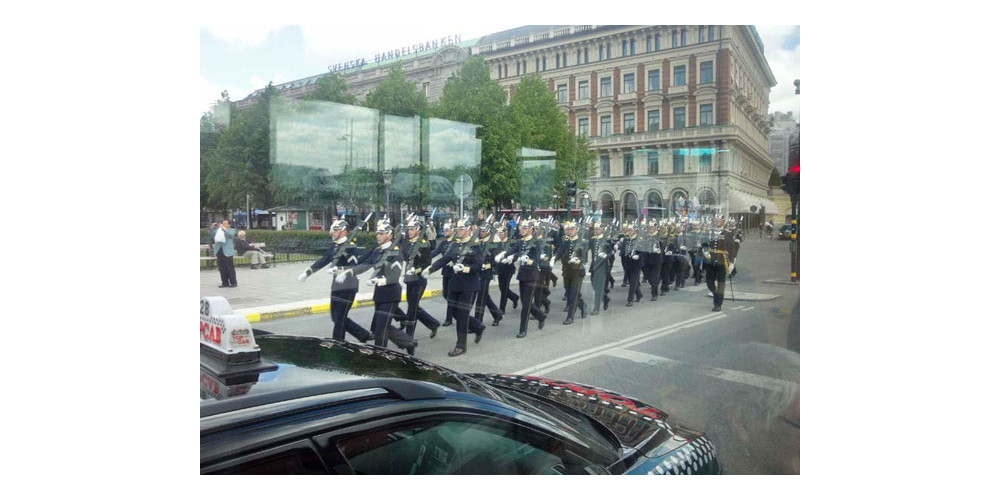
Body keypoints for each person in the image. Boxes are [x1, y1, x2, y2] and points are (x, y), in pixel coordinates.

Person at [297, 220, 371, 344]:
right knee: (335, 316)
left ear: (344, 231)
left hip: (348, 285)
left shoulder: (351, 247)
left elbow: (355, 266)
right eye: (333, 230)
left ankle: (337, 343)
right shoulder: (334, 245)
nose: (333, 232)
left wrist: (340, 270)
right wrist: (308, 272)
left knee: (340, 318)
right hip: (336, 285)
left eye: (336, 230)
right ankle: (363, 334)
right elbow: (324, 260)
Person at [424, 217, 485, 357]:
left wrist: (465, 268)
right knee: (456, 314)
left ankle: (461, 345)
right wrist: (431, 268)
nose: (458, 231)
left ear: (469, 229)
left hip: (469, 285)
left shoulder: (476, 246)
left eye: (461, 229)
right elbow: (445, 259)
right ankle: (478, 326)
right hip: (455, 283)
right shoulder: (455, 245)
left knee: (462, 315)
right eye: (457, 229)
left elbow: (479, 266)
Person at [358, 220, 418, 354]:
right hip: (379, 294)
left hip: (391, 294)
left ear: (390, 236)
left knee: (381, 327)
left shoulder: (396, 253)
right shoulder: (378, 251)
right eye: (377, 234)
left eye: (381, 234)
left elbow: (395, 276)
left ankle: (379, 355)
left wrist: (380, 281)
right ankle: (408, 342)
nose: (378, 236)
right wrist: (348, 271)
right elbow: (366, 264)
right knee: (381, 326)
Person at [392, 218, 440, 340]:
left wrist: (416, 269)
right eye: (409, 229)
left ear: (418, 230)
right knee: (413, 305)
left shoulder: (424, 244)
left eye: (412, 229)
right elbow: (403, 254)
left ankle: (409, 337)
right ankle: (433, 323)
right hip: (409, 279)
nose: (410, 231)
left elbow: (427, 263)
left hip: (419, 280)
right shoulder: (408, 242)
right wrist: (403, 226)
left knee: (412, 308)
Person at [508, 219, 547, 338]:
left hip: (532, 275)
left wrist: (528, 260)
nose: (522, 230)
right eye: (521, 228)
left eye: (525, 228)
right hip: (523, 274)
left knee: (526, 305)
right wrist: (504, 255)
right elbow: (512, 250)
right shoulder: (520, 242)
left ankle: (522, 329)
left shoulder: (536, 242)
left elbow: (537, 261)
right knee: (525, 302)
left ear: (530, 229)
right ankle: (541, 315)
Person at [556, 220, 587, 324]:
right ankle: (583, 306)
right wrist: (553, 259)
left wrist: (578, 260)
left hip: (577, 271)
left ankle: (570, 317)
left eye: (572, 229)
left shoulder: (582, 241)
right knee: (569, 293)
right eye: (568, 229)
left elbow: (584, 258)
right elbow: (559, 252)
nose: (570, 231)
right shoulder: (565, 241)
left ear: (576, 230)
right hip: (567, 270)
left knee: (573, 294)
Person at [474, 222, 504, 327]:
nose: (481, 233)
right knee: (484, 296)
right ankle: (497, 314)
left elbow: (496, 260)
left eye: (484, 231)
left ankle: (477, 322)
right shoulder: (478, 240)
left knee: (481, 297)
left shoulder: (495, 242)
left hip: (487, 272)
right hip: (477, 271)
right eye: (481, 231)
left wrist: (487, 266)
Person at [431, 221, 456, 327]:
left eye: (447, 230)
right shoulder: (444, 243)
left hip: (455, 272)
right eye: (444, 230)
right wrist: (424, 258)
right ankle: (456, 310)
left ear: (452, 230)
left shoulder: (456, 243)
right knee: (445, 294)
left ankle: (449, 318)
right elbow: (435, 252)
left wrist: (454, 261)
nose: (445, 232)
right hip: (446, 271)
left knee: (450, 296)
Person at [588, 222, 614, 315]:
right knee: (594, 285)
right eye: (595, 229)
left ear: (602, 229)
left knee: (598, 288)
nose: (596, 231)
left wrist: (606, 255)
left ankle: (596, 308)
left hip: (602, 266)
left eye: (598, 229)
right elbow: (586, 248)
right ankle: (605, 298)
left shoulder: (607, 240)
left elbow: (612, 252)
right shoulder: (593, 240)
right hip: (594, 266)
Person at [494, 224, 520, 313]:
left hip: (508, 268)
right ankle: (514, 297)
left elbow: (517, 253)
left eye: (501, 233)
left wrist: (511, 259)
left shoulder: (511, 242)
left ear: (505, 233)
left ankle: (502, 308)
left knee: (504, 288)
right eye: (498, 233)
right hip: (500, 268)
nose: (499, 235)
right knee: (502, 288)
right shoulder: (497, 243)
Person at [619, 222, 644, 306]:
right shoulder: (626, 239)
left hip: (636, 263)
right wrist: (617, 246)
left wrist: (638, 256)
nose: (629, 232)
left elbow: (643, 252)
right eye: (628, 230)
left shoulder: (639, 240)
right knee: (631, 280)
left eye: (631, 230)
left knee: (633, 282)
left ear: (635, 231)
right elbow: (623, 249)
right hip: (628, 262)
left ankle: (630, 300)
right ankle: (639, 294)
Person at [639, 220, 663, 302]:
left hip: (656, 259)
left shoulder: (659, 235)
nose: (650, 229)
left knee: (654, 276)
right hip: (647, 259)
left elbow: (663, 244)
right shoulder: (645, 235)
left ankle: (654, 293)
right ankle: (653, 284)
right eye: (649, 227)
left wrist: (660, 250)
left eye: (652, 227)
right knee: (648, 276)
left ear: (656, 228)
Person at [210, 220, 237, 288]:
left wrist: (224, 228)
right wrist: (213, 228)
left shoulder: (231, 230)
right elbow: (212, 235)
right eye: (222, 223)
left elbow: (230, 234)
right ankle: (225, 283)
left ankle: (233, 283)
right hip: (219, 250)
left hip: (227, 251)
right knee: (222, 268)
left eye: (225, 223)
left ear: (229, 225)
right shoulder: (218, 230)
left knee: (229, 267)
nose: (223, 224)